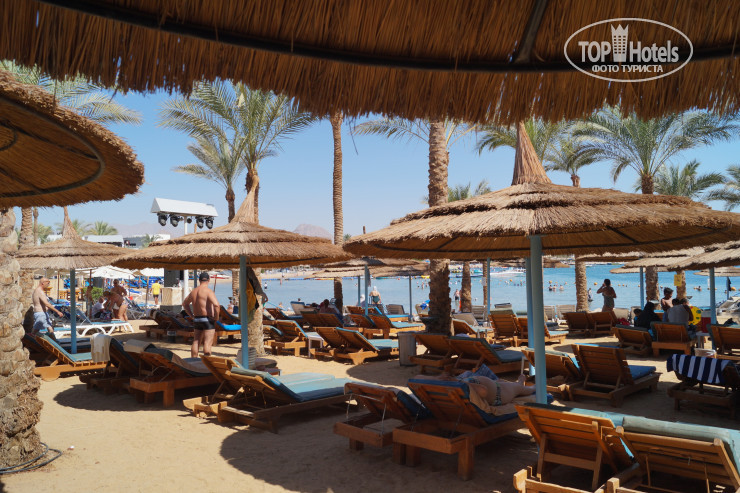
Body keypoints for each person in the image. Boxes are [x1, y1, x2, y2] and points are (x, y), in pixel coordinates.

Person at [182, 272, 220, 358]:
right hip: (207, 319)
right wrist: (216, 317)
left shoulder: (194, 291)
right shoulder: (208, 291)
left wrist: (191, 315)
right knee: (207, 343)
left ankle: (193, 361)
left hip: (197, 319)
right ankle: (206, 362)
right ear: (209, 280)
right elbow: (216, 305)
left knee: (196, 341)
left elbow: (184, 304)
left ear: (199, 280)